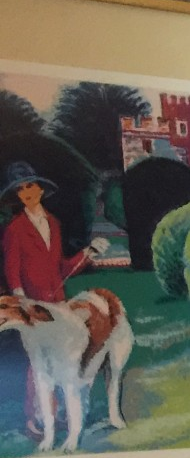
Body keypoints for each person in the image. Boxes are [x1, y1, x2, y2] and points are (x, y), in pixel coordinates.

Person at [0, 161, 108, 438]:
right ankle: (34, 418)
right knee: (37, 363)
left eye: (30, 186)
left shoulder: (54, 224)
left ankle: (56, 412)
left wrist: (88, 252)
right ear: (16, 195)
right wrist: (21, 299)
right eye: (20, 189)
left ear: (40, 189)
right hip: (31, 307)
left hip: (58, 304)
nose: (27, 192)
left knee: (61, 358)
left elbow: (61, 267)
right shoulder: (15, 229)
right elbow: (12, 269)